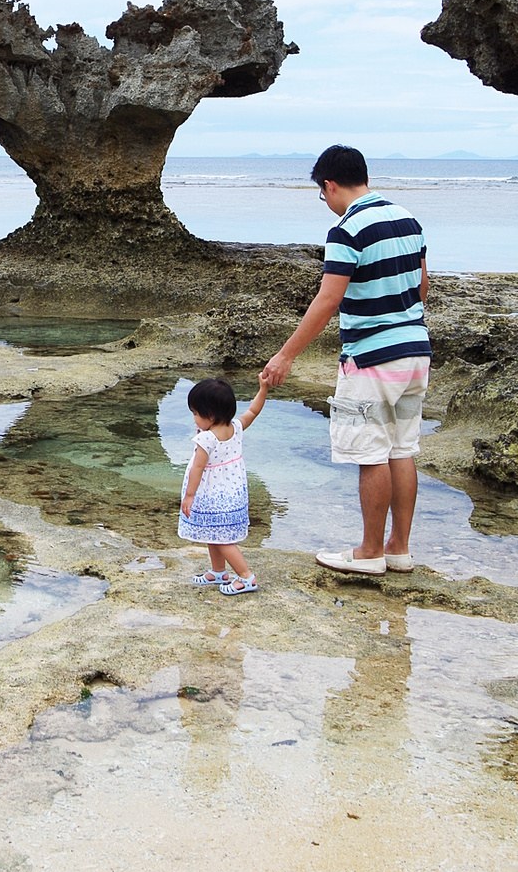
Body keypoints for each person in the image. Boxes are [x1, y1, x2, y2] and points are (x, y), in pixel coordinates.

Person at [262, 145, 430, 576]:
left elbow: (328, 299)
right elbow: (422, 286)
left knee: (371, 454)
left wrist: (285, 355)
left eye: (323, 194)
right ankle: (399, 548)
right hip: (415, 353)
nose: (326, 203)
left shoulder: (347, 229)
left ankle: (369, 552)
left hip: (371, 360)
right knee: (402, 449)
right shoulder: (408, 219)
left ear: (330, 185)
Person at [179, 373, 269, 595]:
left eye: (195, 413)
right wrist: (263, 388)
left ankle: (246, 577)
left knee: (222, 538)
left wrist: (189, 495)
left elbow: (197, 468)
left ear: (209, 416)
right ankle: (219, 572)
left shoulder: (206, 439)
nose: (194, 419)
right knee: (215, 533)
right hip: (232, 493)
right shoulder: (236, 427)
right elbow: (254, 411)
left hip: (211, 495)